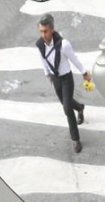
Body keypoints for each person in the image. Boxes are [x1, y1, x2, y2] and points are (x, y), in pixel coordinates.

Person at [36, 13, 92, 153]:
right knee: (66, 103)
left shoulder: (64, 45)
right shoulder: (40, 44)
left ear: (52, 29)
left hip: (67, 78)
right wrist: (47, 74)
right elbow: (43, 59)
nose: (43, 34)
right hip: (56, 79)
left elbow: (74, 59)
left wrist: (85, 73)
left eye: (46, 31)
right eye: (41, 31)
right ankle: (79, 107)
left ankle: (76, 139)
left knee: (67, 109)